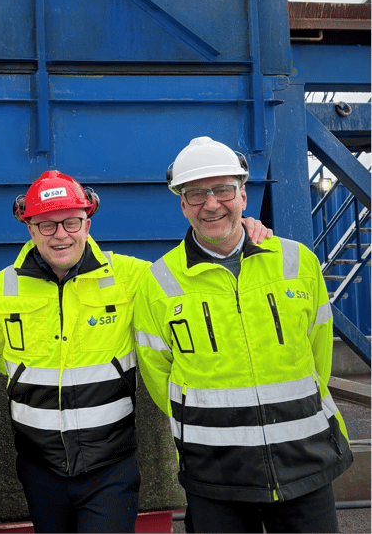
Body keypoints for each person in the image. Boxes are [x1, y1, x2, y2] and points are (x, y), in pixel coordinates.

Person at [0, 169, 271, 534]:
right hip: (38, 467)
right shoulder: (4, 285)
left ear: (88, 223)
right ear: (30, 228)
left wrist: (241, 235)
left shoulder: (131, 277)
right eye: (46, 225)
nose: (61, 234)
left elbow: (195, 279)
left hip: (109, 467)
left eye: (71, 221)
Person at [134, 136, 353, 534]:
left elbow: (316, 355)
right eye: (196, 194)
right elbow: (159, 374)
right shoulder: (158, 282)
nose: (211, 204)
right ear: (183, 205)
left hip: (305, 462)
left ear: (243, 195)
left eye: (222, 189)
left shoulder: (296, 261)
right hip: (215, 473)